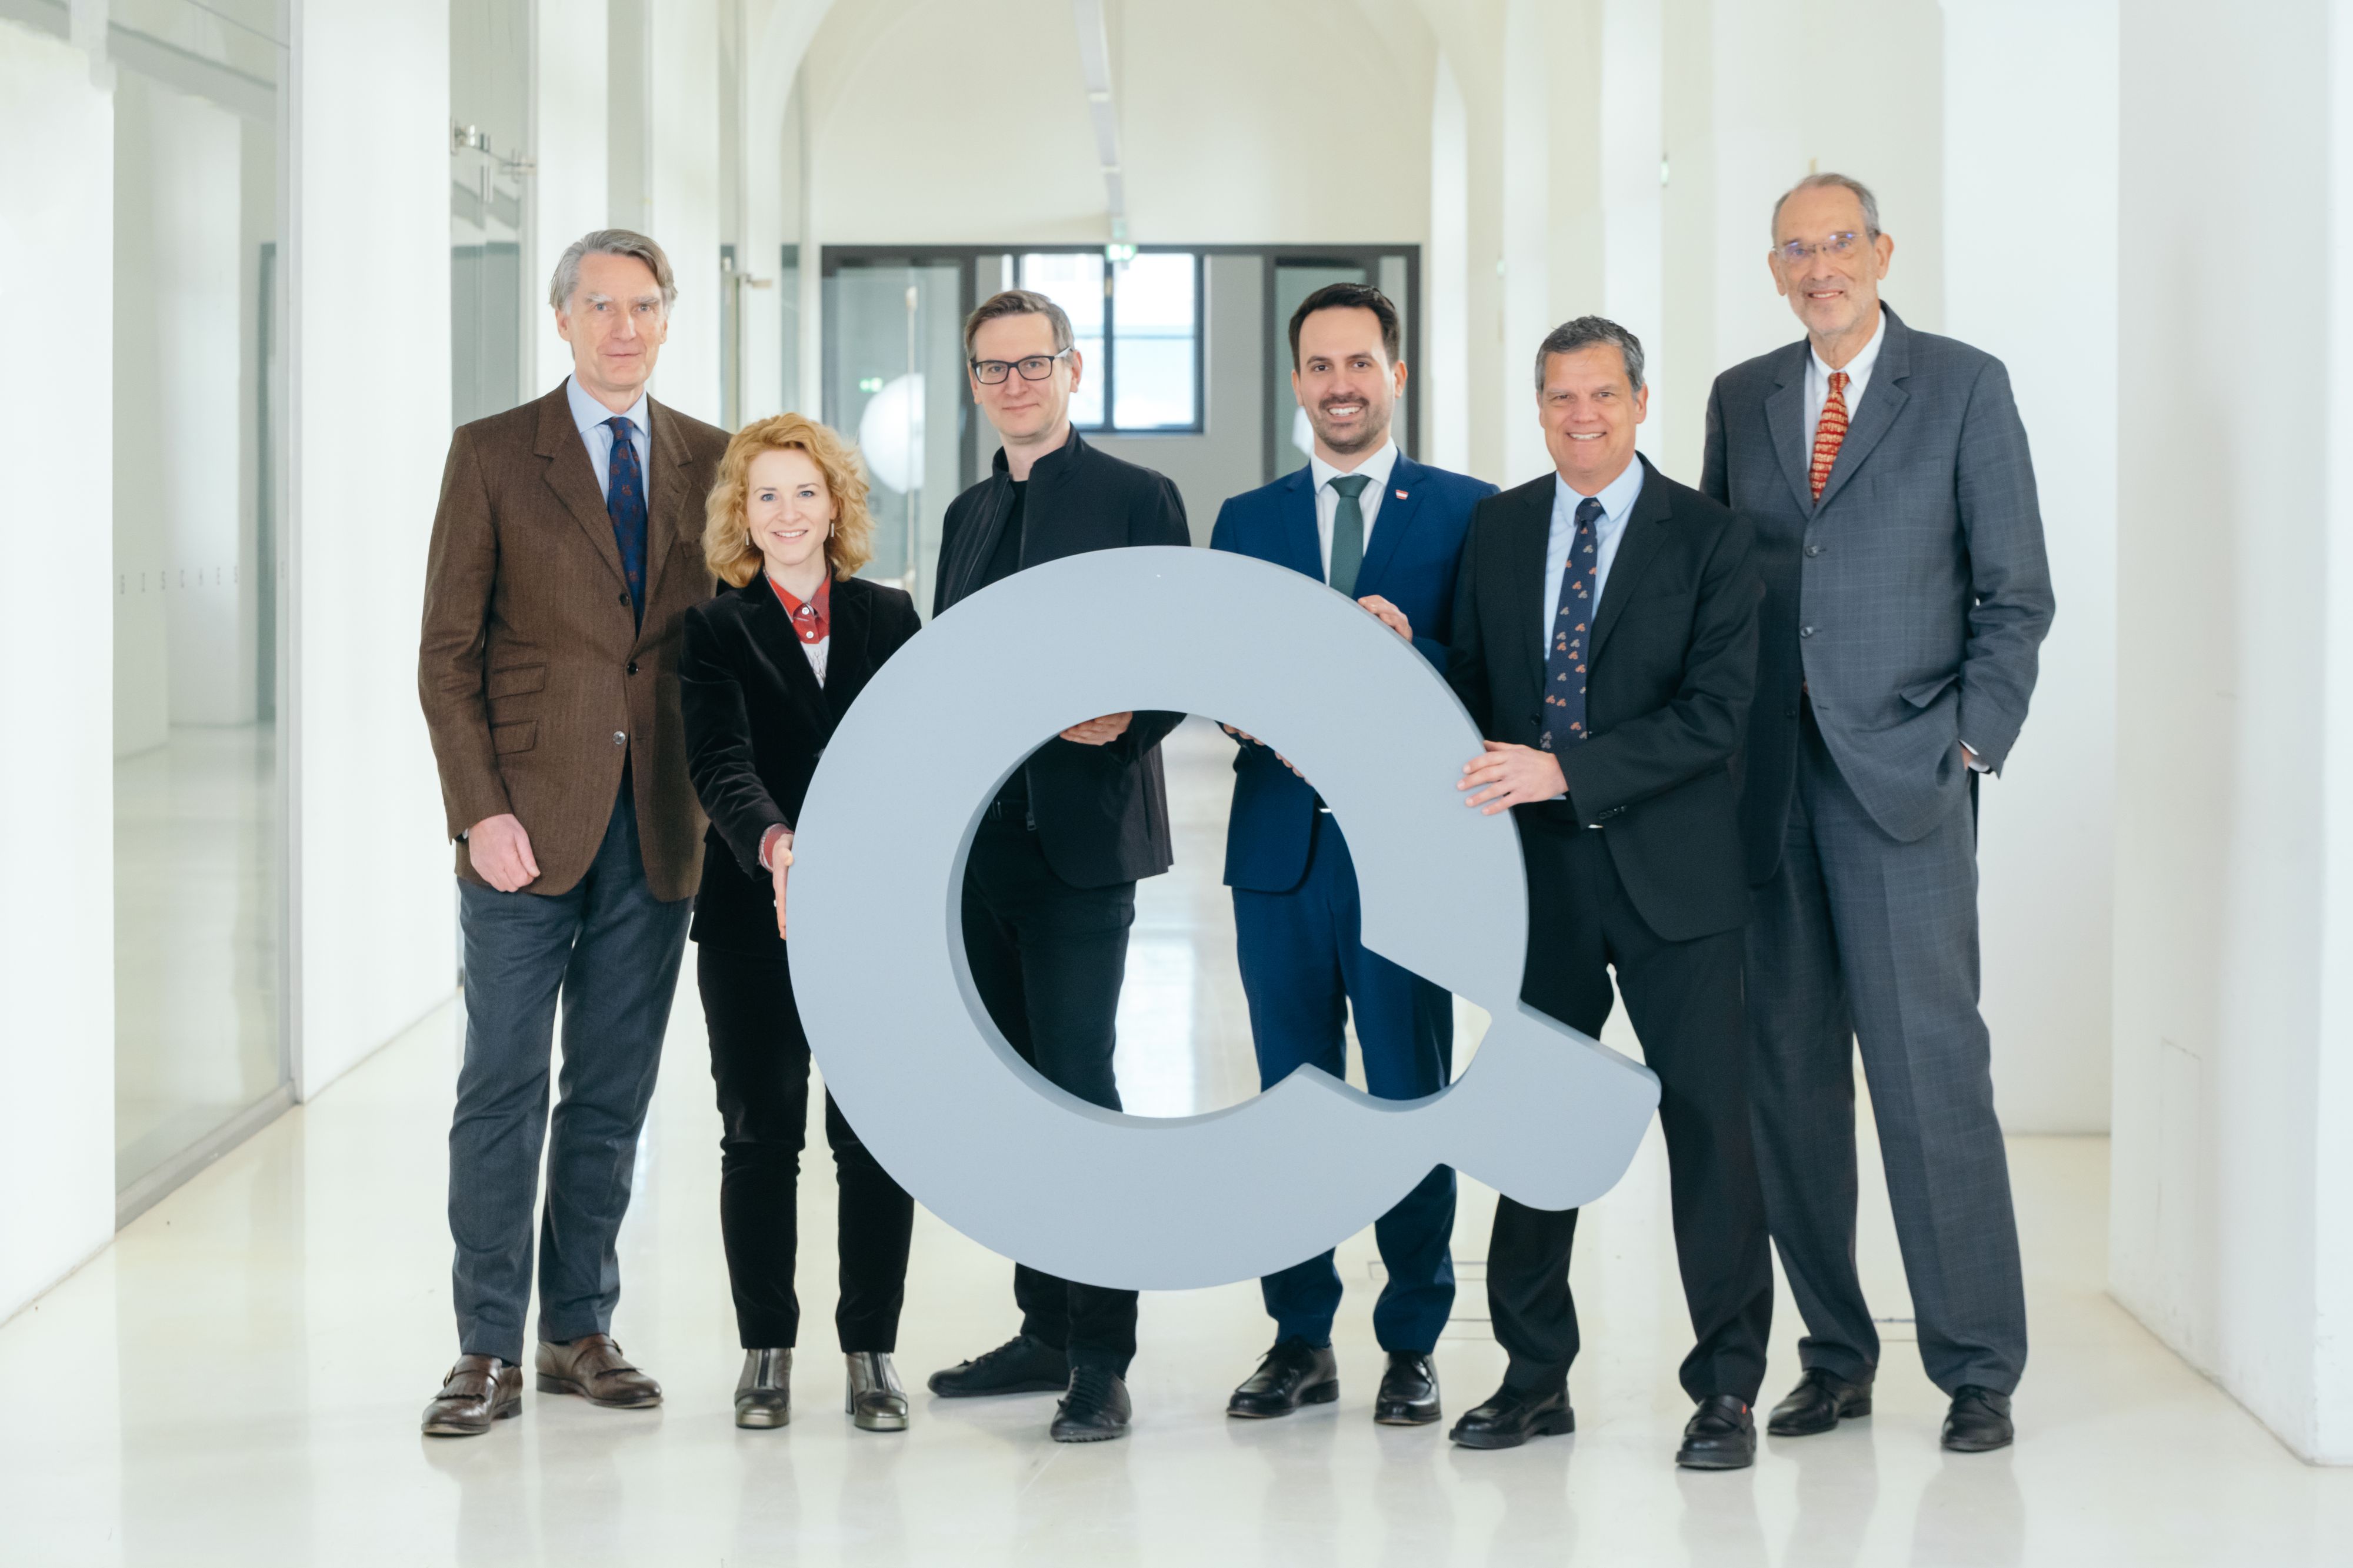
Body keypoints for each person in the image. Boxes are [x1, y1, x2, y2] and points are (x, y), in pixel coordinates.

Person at [1701, 172, 2053, 1454]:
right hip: (1769, 792)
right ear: (1774, 268)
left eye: (1837, 242)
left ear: (1880, 251)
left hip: (1907, 782)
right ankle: (1834, 1356)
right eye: (1793, 248)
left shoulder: (1961, 385)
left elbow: (2015, 593)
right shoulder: (1741, 399)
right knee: (1786, 1083)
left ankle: (1973, 1368)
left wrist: (1968, 742)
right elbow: (1717, 590)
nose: (1817, 266)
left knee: (1927, 1078)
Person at [1445, 317, 1773, 1469]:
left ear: (1639, 399)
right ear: (1536, 407)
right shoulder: (1497, 528)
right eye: (1556, 398)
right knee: (1536, 1131)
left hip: (1677, 882)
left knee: (1709, 1137)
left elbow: (1714, 714)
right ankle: (1533, 1375)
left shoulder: (1711, 538)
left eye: (1598, 395)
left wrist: (1566, 770)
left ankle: (1726, 1387)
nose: (1578, 416)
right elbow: (1472, 684)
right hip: (1541, 881)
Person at [416, 230, 728, 1437]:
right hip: (523, 831)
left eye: (644, 305)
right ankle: (483, 1344)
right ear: (561, 319)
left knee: (610, 1090)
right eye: (600, 304)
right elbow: (446, 657)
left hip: (656, 828)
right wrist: (477, 810)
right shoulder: (495, 453)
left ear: (666, 319)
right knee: (501, 1082)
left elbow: (725, 646)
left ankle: (576, 1329)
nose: (624, 326)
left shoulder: (708, 457)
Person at [1207, 283, 1494, 1427]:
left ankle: (1412, 1339)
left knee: (1408, 1095)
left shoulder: (1467, 512)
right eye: (1319, 366)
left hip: (1405, 856)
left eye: (1359, 364)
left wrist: (1409, 648)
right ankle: (1297, 1336)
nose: (1339, 384)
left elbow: (1489, 677)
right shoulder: (1246, 517)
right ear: (1296, 382)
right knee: (1292, 1102)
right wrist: (1232, 708)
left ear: (1395, 374)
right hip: (1277, 849)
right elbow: (1211, 667)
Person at [920, 289, 1189, 1443]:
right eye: (993, 368)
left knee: (1080, 1086)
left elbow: (1189, 650)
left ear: (1072, 371)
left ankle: (1102, 1351)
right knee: (1013, 1088)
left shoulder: (1138, 498)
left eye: (1033, 364)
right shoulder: (969, 513)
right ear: (975, 381)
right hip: (981, 847)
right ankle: (1041, 1323)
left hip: (1083, 842)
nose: (1014, 383)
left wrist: (1124, 721)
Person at [679, 413, 922, 1433]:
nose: (786, 513)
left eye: (805, 492)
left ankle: (871, 1350)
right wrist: (778, 845)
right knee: (759, 1133)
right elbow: (719, 764)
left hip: (874, 922)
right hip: (752, 915)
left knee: (871, 1138)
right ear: (743, 513)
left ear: (836, 505)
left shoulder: (892, 616)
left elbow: (920, 756)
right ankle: (765, 1350)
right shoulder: (712, 629)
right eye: (765, 495)